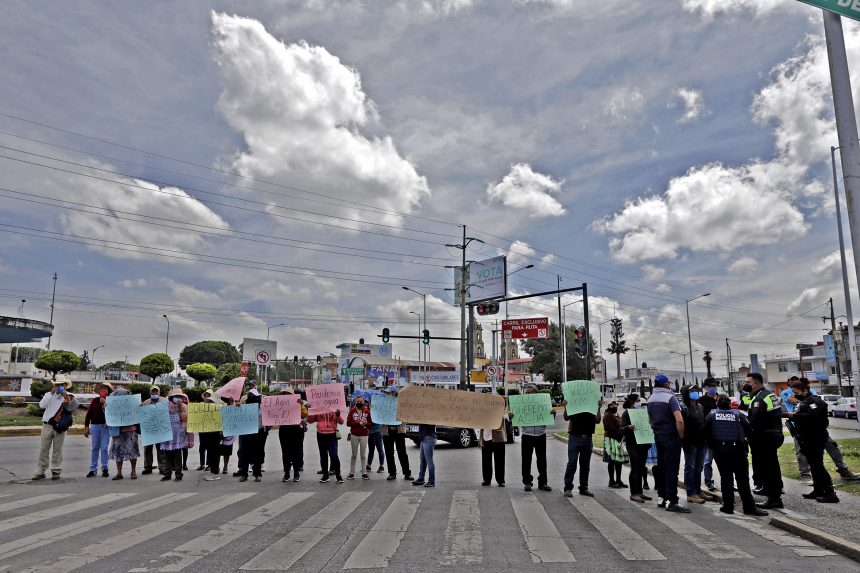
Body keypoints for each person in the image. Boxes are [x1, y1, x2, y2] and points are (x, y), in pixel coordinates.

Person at [783, 377, 859, 484]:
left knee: (831, 447)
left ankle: (843, 470)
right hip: (799, 427)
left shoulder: (809, 394)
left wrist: (797, 402)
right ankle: (806, 475)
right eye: (791, 384)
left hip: (816, 428)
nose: (793, 390)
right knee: (802, 452)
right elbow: (797, 403)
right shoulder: (786, 393)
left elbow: (813, 407)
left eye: (795, 384)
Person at [704, 394, 768, 516]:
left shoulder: (712, 415)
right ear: (729, 404)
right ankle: (749, 508)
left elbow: (705, 431)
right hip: (737, 450)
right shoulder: (738, 414)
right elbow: (749, 429)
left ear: (717, 404)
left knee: (726, 479)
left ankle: (728, 506)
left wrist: (711, 443)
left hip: (720, 450)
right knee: (742, 480)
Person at [785, 379, 839, 503]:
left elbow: (813, 417)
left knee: (818, 465)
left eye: (796, 392)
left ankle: (830, 493)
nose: (794, 395)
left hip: (816, 437)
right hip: (806, 438)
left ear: (805, 391)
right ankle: (818, 490)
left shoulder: (815, 401)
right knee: (814, 466)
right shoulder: (804, 401)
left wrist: (792, 416)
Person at [647, 373, 689, 513]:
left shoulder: (651, 398)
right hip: (671, 436)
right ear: (665, 384)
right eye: (669, 383)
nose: (670, 385)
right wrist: (681, 435)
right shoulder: (670, 398)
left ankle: (662, 497)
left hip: (658, 436)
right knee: (672, 469)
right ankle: (672, 501)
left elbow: (650, 420)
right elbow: (679, 419)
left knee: (662, 467)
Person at [746, 372, 784, 509]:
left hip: (766, 437)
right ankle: (771, 491)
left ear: (757, 383)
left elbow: (755, 421)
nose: (746, 385)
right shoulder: (769, 394)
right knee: (772, 466)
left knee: (769, 468)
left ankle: (774, 499)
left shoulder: (760, 398)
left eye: (748, 382)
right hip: (773, 435)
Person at [33, 376, 79, 480]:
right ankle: (41, 471)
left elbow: (73, 407)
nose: (59, 387)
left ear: (66, 386)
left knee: (57, 450)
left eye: (61, 385)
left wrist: (65, 396)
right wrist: (51, 393)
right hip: (47, 425)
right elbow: (42, 405)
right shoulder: (48, 395)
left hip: (60, 426)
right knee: (44, 449)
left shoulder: (70, 396)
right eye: (57, 385)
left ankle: (56, 470)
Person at [561, 393, 601, 497]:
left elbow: (597, 420)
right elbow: (566, 417)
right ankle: (568, 488)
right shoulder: (574, 404)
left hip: (588, 438)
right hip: (575, 437)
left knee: (585, 464)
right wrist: (566, 406)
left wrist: (598, 408)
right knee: (572, 463)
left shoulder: (591, 406)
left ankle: (584, 488)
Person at [680, 385, 715, 504]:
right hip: (690, 442)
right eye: (691, 391)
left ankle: (698, 490)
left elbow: (703, 423)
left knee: (699, 467)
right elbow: (682, 426)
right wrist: (685, 442)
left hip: (701, 441)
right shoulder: (683, 407)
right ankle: (691, 493)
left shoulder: (700, 406)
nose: (694, 392)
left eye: (695, 390)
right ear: (686, 393)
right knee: (690, 467)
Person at [520, 384, 556, 492]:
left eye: (531, 393)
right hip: (527, 435)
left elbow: (548, 419)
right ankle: (527, 482)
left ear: (536, 394)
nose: (529, 395)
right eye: (527, 393)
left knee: (542, 460)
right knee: (526, 460)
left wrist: (552, 414)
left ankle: (543, 483)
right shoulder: (522, 404)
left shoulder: (543, 404)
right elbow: (516, 419)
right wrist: (513, 416)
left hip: (540, 435)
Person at [620, 393, 652, 503]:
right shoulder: (626, 413)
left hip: (643, 443)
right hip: (633, 445)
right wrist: (628, 427)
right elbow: (621, 429)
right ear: (632, 402)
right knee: (635, 468)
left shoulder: (642, 413)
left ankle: (640, 492)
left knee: (641, 468)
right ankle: (633, 493)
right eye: (638, 400)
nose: (640, 403)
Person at [380, 386, 412, 481]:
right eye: (386, 393)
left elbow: (406, 416)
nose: (387, 394)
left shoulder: (401, 404)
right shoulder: (383, 404)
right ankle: (392, 473)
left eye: (388, 393)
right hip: (387, 432)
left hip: (399, 431)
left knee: (402, 453)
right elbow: (378, 416)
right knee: (389, 453)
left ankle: (407, 473)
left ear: (394, 393)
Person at [107, 387, 139, 480]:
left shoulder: (132, 405)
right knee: (118, 453)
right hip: (119, 433)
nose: (126, 396)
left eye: (126, 395)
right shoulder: (112, 406)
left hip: (131, 433)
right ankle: (119, 473)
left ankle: (133, 471)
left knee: (133, 453)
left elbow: (138, 416)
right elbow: (109, 418)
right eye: (123, 395)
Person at [236, 388, 268, 482]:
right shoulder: (243, 406)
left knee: (257, 454)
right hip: (245, 432)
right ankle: (244, 474)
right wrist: (238, 405)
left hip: (258, 432)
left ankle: (257, 474)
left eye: (254, 397)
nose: (252, 398)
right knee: (244, 453)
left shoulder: (262, 407)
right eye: (250, 396)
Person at [308, 407, 344, 484]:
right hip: (321, 434)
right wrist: (311, 411)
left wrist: (338, 415)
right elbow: (310, 420)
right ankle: (325, 475)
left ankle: (338, 475)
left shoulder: (334, 408)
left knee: (334, 455)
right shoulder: (318, 408)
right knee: (323, 455)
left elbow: (341, 422)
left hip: (332, 434)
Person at [84, 382, 113, 478]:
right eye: (101, 389)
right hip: (95, 426)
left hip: (106, 427)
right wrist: (86, 426)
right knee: (95, 448)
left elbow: (114, 414)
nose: (103, 390)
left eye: (105, 389)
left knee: (104, 448)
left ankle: (105, 468)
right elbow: (89, 414)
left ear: (108, 391)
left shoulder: (111, 401)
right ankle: (93, 469)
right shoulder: (95, 400)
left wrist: (105, 404)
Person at [278, 388, 306, 483]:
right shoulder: (279, 403)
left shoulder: (298, 403)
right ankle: (286, 473)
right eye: (284, 393)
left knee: (296, 452)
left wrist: (301, 404)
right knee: (285, 452)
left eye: (288, 393)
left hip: (295, 429)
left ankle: (296, 473)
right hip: (284, 429)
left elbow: (305, 413)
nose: (286, 395)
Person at [161, 387, 188, 482]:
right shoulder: (164, 405)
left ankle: (178, 474)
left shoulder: (184, 406)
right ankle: (167, 474)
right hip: (167, 431)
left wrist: (180, 408)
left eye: (179, 396)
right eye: (176, 396)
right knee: (167, 454)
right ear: (171, 397)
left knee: (177, 454)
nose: (177, 398)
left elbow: (184, 419)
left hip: (178, 432)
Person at [699, 378, 720, 492]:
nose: (713, 387)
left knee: (725, 460)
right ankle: (709, 481)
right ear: (705, 387)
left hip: (722, 434)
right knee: (708, 460)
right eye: (710, 386)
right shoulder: (701, 400)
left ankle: (729, 482)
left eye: (715, 385)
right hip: (709, 435)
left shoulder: (721, 398)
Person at [602, 401, 628, 490]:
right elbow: (611, 429)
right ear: (608, 406)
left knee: (618, 461)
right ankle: (611, 481)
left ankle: (618, 480)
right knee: (611, 461)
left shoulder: (617, 415)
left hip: (618, 440)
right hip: (611, 440)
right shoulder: (607, 415)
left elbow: (620, 426)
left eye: (615, 404)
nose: (614, 406)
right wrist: (621, 434)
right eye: (611, 405)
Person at [141, 386, 166, 476]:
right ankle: (148, 467)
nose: (154, 393)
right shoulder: (146, 402)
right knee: (147, 449)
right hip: (148, 430)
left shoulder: (164, 401)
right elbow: (142, 416)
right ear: (150, 393)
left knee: (161, 449)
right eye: (153, 392)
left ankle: (162, 468)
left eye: (156, 391)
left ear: (159, 392)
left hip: (160, 429)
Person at [200, 390, 224, 482]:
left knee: (214, 453)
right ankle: (213, 472)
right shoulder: (209, 408)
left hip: (216, 433)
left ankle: (215, 473)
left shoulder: (219, 409)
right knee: (211, 453)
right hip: (209, 432)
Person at [347, 395, 372, 480]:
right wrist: (358, 422)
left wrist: (366, 423)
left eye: (361, 401)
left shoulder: (367, 411)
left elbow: (371, 424)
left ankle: (364, 472)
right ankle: (351, 472)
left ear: (363, 402)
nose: (359, 403)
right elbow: (348, 423)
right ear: (355, 402)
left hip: (364, 435)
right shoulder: (352, 411)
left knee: (363, 455)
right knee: (354, 455)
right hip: (354, 435)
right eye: (358, 401)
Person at [480, 413, 507, 487]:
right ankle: (487, 479)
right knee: (486, 459)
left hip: (498, 435)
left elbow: (506, 415)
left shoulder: (502, 402)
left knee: (500, 459)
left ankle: (501, 480)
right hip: (486, 435)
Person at [412, 423, 436, 487]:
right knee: (423, 459)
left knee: (429, 461)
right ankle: (421, 478)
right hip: (424, 438)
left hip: (428, 437)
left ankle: (431, 481)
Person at [366, 408, 385, 474]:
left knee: (380, 449)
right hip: (370, 432)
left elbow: (373, 423)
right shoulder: (368, 412)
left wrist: (366, 423)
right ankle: (368, 465)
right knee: (371, 450)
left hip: (378, 432)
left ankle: (381, 466)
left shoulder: (378, 412)